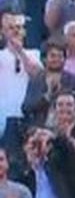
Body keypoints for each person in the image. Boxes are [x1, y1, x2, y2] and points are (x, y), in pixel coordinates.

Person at [22, 39, 75, 127]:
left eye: (60, 56)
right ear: (44, 59)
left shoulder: (74, 80)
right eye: (53, 56)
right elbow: (26, 108)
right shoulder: (36, 80)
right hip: (40, 127)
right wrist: (47, 96)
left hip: (68, 127)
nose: (56, 59)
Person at [0, 14, 42, 142]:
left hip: (26, 114)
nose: (15, 31)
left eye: (18, 27)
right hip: (3, 113)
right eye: (10, 28)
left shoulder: (34, 54)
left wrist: (20, 51)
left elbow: (36, 74)